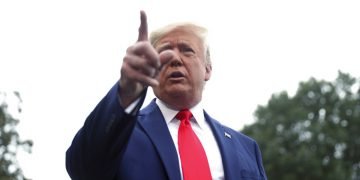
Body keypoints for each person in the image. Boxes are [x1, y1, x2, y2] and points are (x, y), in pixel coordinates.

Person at [66, 10, 267, 180]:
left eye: (187, 51)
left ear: (208, 69)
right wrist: (127, 90)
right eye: (164, 51)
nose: (174, 59)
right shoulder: (121, 133)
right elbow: (83, 169)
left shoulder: (247, 148)